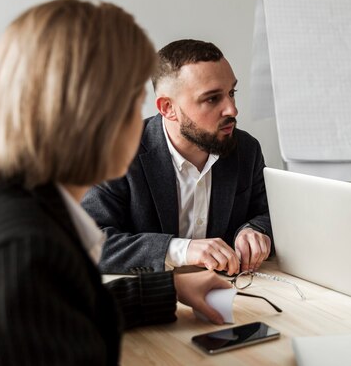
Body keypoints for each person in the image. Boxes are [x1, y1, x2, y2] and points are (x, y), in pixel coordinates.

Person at [0, 0, 232, 365]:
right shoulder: (23, 252)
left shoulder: (0, 202)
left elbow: (59, 307)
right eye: (135, 104)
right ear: (95, 113)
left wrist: (171, 287)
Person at [82, 39, 272, 276]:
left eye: (231, 93)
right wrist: (180, 250)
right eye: (212, 99)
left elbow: (270, 214)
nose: (232, 110)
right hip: (153, 299)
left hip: (234, 293)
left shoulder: (246, 149)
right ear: (167, 108)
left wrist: (255, 230)